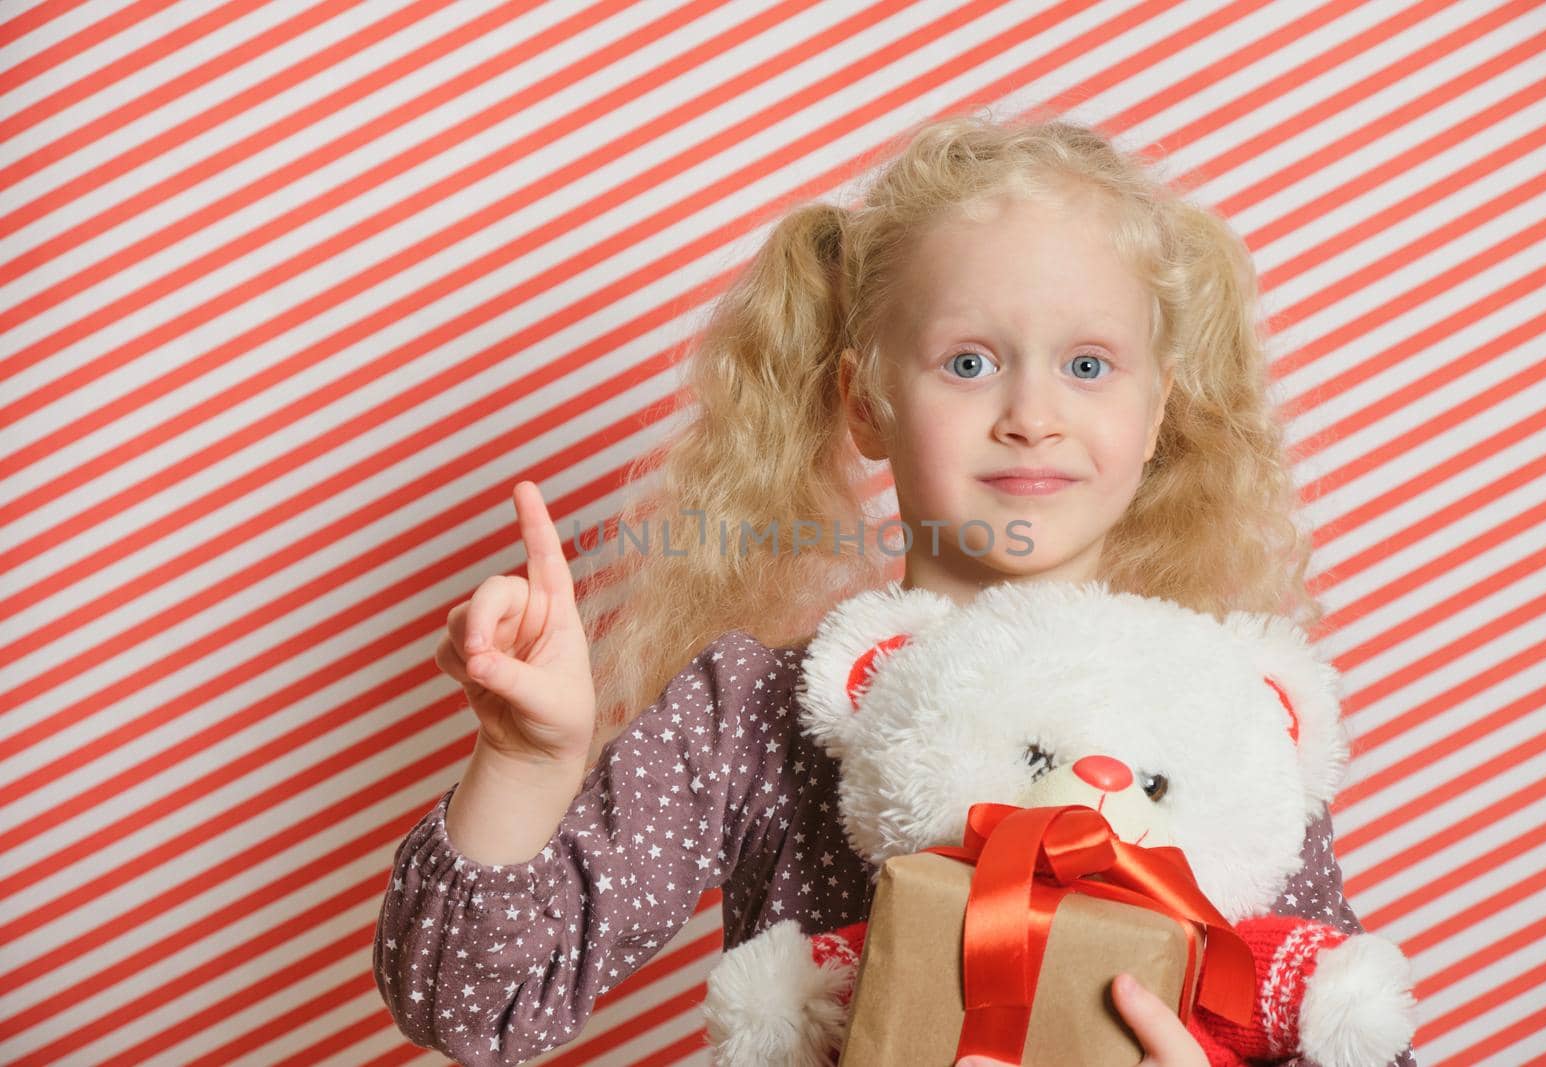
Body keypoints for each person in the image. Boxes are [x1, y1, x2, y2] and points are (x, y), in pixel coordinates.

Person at [373, 114, 1419, 1067]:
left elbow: (1343, 1019)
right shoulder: (753, 710)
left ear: (1159, 415)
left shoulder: (1223, 714)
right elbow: (477, 1003)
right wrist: (524, 757)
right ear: (864, 405)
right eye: (967, 362)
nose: (1031, 414)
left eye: (1090, 366)